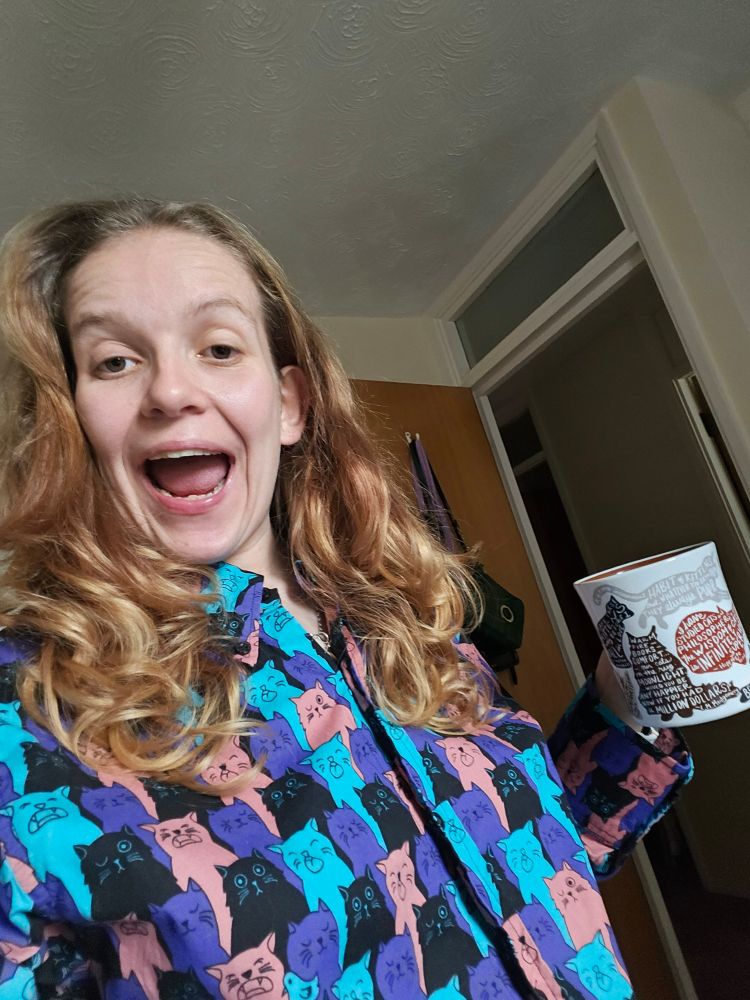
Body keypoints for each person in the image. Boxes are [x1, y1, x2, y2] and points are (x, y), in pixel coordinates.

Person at [0, 198, 691, 1000]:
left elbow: (535, 867)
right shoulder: (28, 712)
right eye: (114, 362)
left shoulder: (405, 622)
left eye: (218, 347)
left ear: (289, 405)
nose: (172, 390)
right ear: (67, 417)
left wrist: (622, 704)